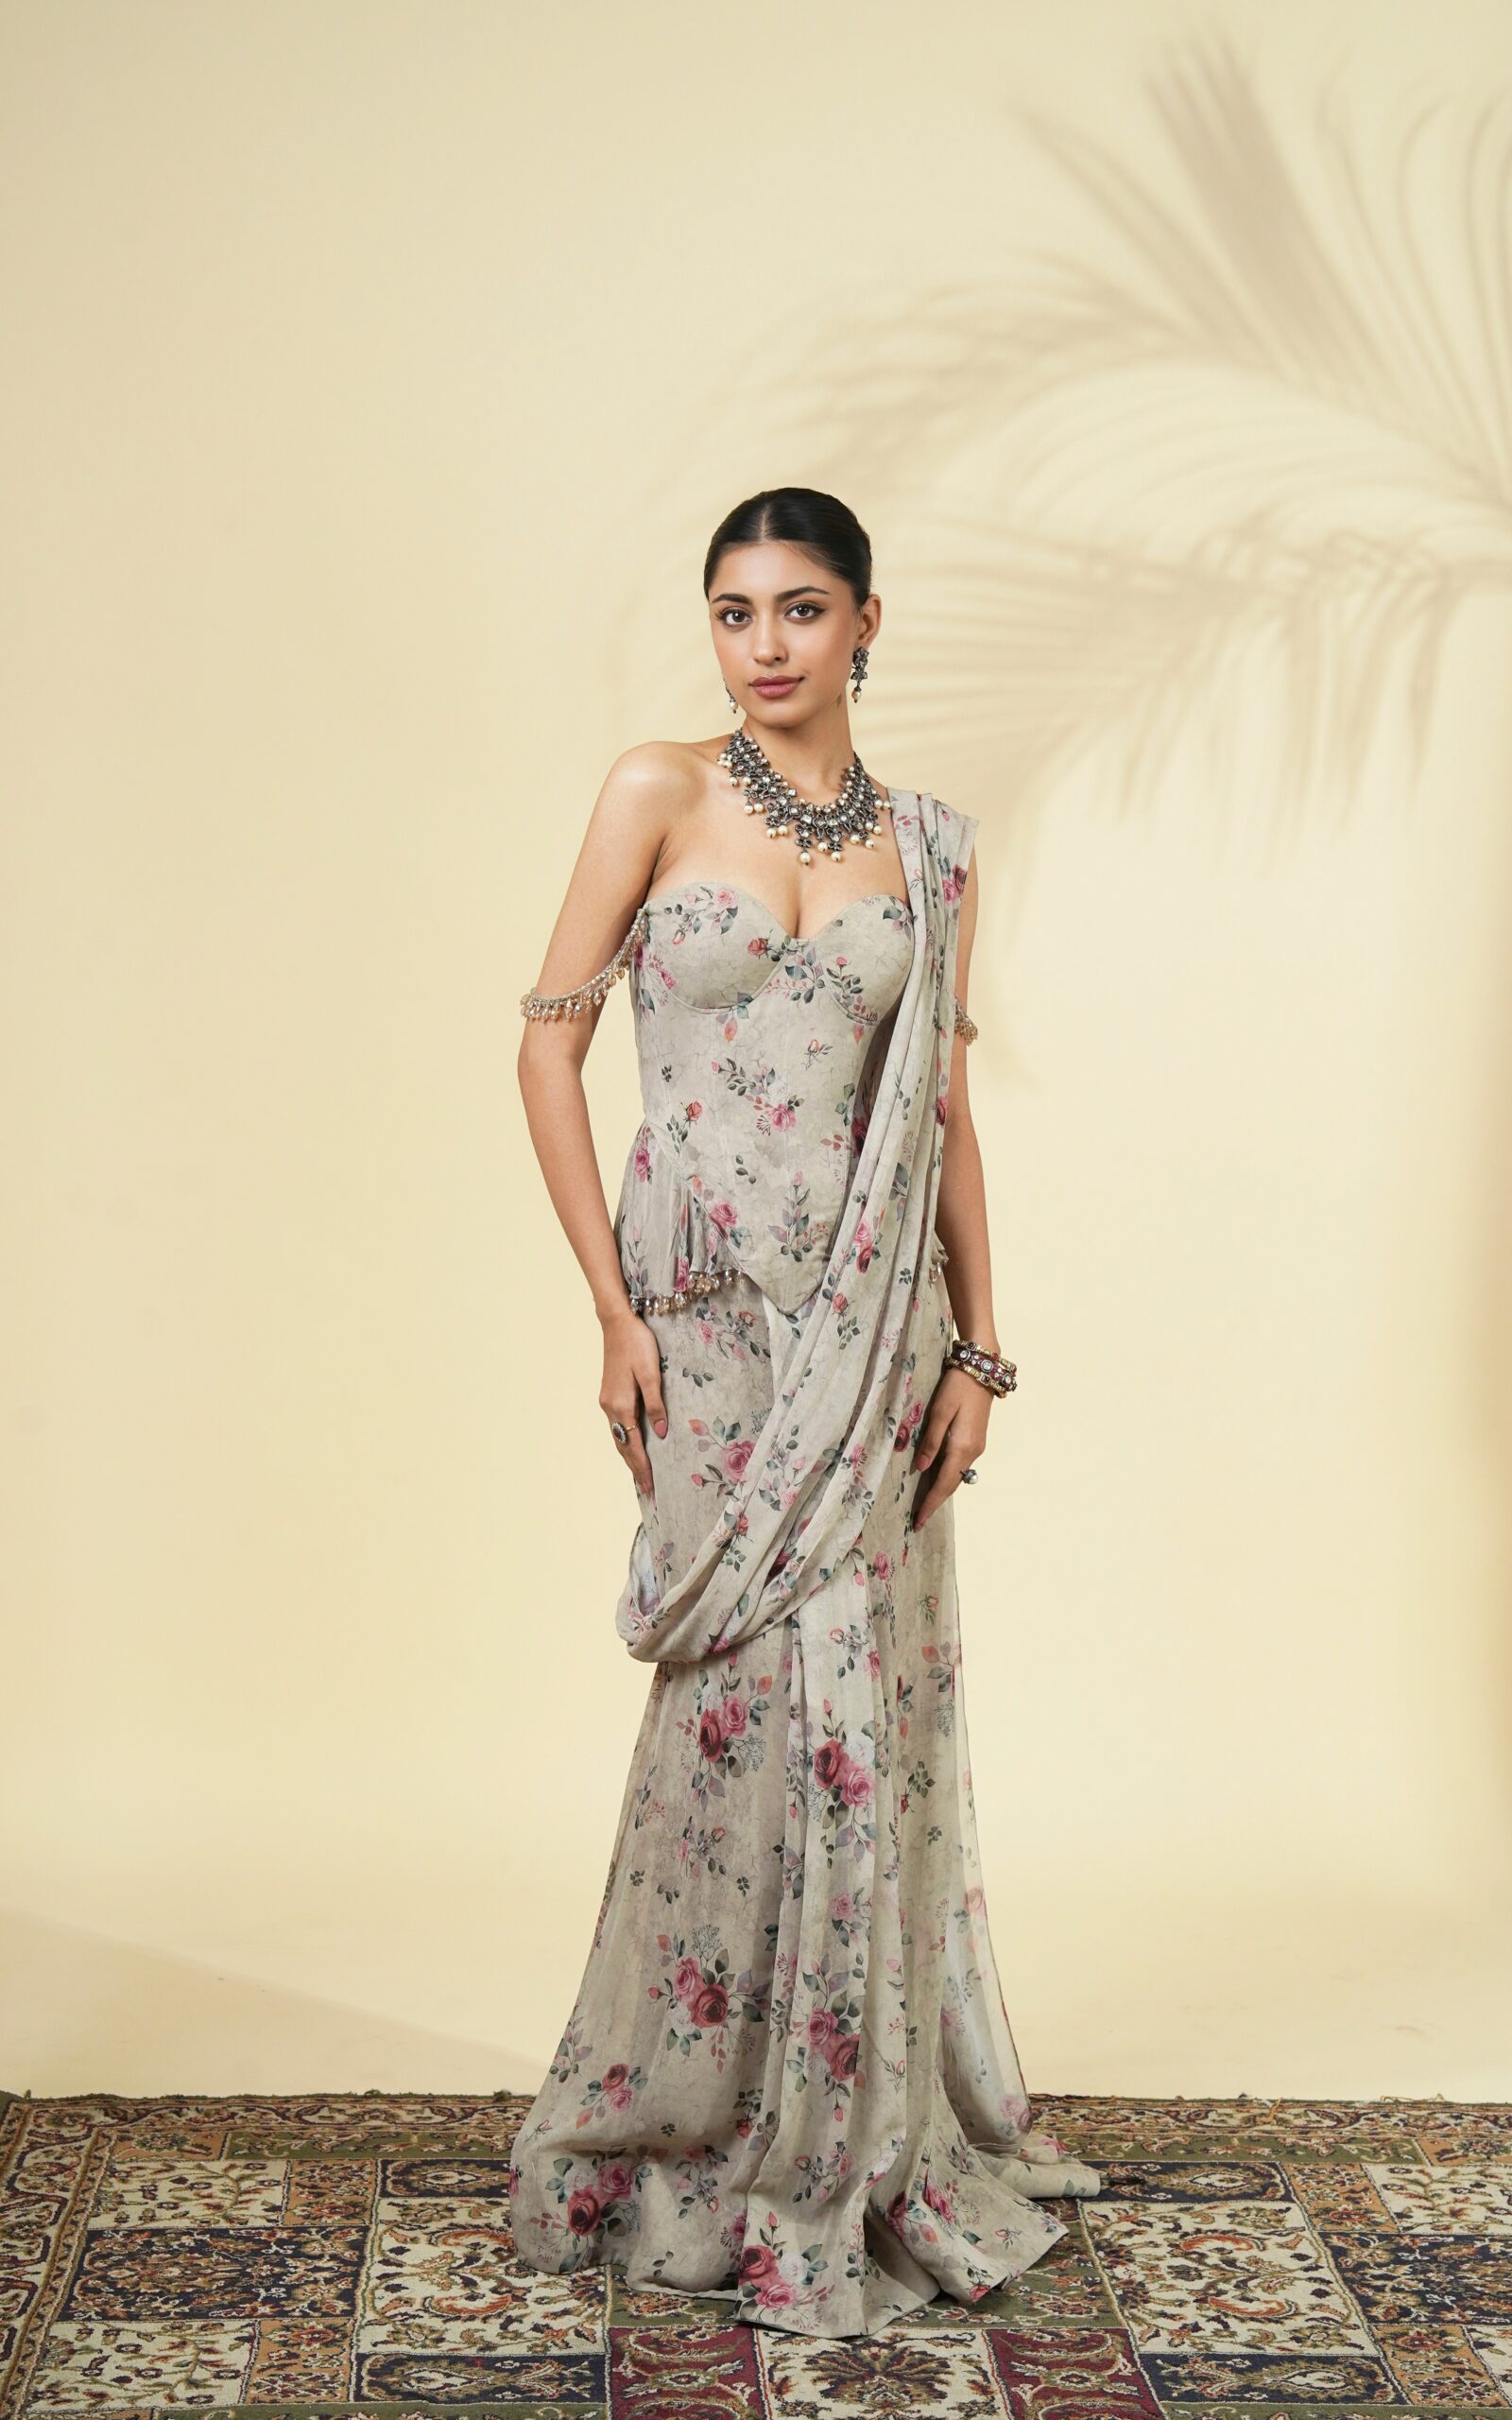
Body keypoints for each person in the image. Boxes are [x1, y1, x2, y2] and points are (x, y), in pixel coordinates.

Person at [506, 487, 1098, 2338]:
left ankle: (841, 2134)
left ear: (864, 624)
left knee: (857, 1720)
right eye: (734, 611)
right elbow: (547, 1039)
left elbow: (942, 1116)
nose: (763, 644)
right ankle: (696, 2103)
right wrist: (610, 1310)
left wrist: (978, 1349)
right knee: (736, 1715)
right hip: (703, 1322)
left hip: (868, 1333)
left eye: (801, 608)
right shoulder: (654, 790)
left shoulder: (929, 849)